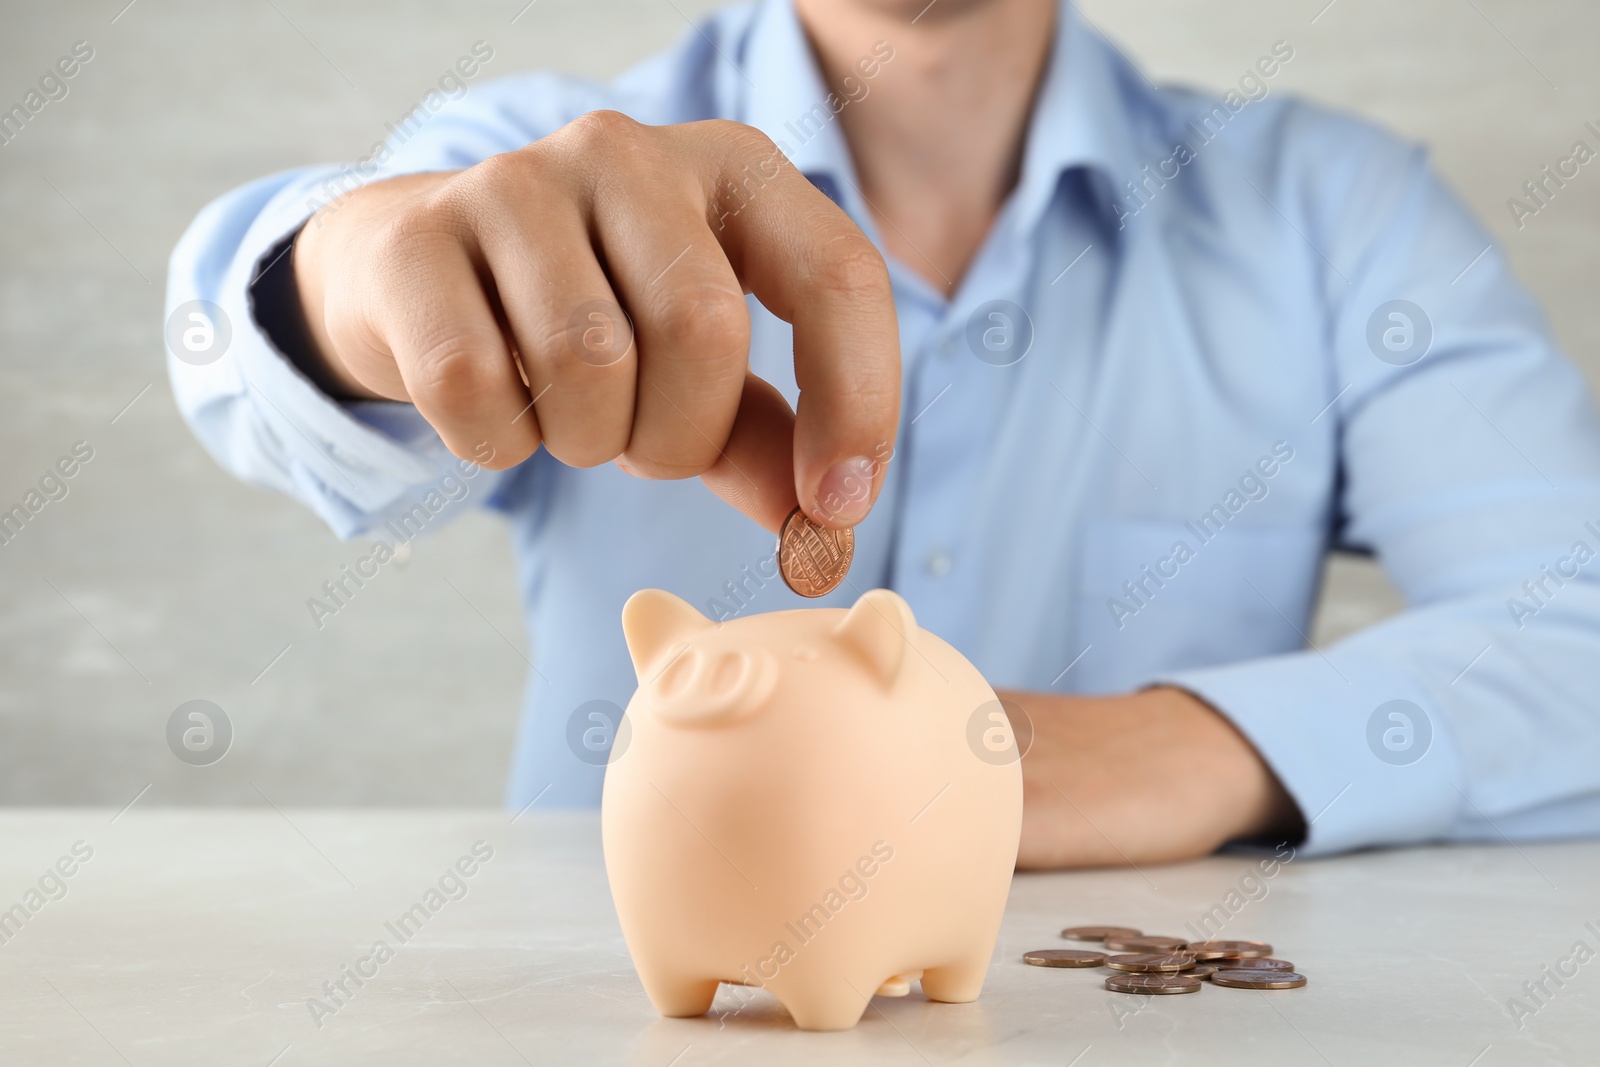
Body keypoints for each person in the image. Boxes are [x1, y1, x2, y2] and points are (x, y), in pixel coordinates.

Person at [167, 0, 1600, 868]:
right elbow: (242, 341)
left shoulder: (1333, 215)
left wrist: (1198, 747)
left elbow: (1576, 625)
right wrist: (354, 285)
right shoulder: (555, 156)